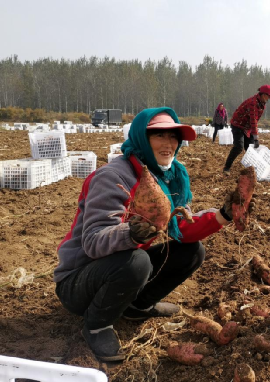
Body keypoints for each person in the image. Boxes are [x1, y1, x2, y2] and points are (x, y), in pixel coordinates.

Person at [54, 107, 250, 362]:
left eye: (173, 137)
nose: (169, 144)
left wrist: (223, 214)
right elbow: (92, 242)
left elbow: (182, 228)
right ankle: (97, 325)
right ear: (141, 139)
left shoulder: (169, 176)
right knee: (138, 262)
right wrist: (133, 233)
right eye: (159, 136)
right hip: (79, 282)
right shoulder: (113, 177)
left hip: (119, 268)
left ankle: (137, 307)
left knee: (192, 251)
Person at [222, 84, 270, 175]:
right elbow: (254, 120)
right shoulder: (253, 103)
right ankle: (226, 168)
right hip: (238, 124)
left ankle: (251, 171)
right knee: (239, 147)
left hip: (247, 127)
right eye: (269, 97)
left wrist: (253, 137)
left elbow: (254, 121)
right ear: (263, 95)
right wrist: (256, 138)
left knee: (250, 149)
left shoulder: (262, 104)